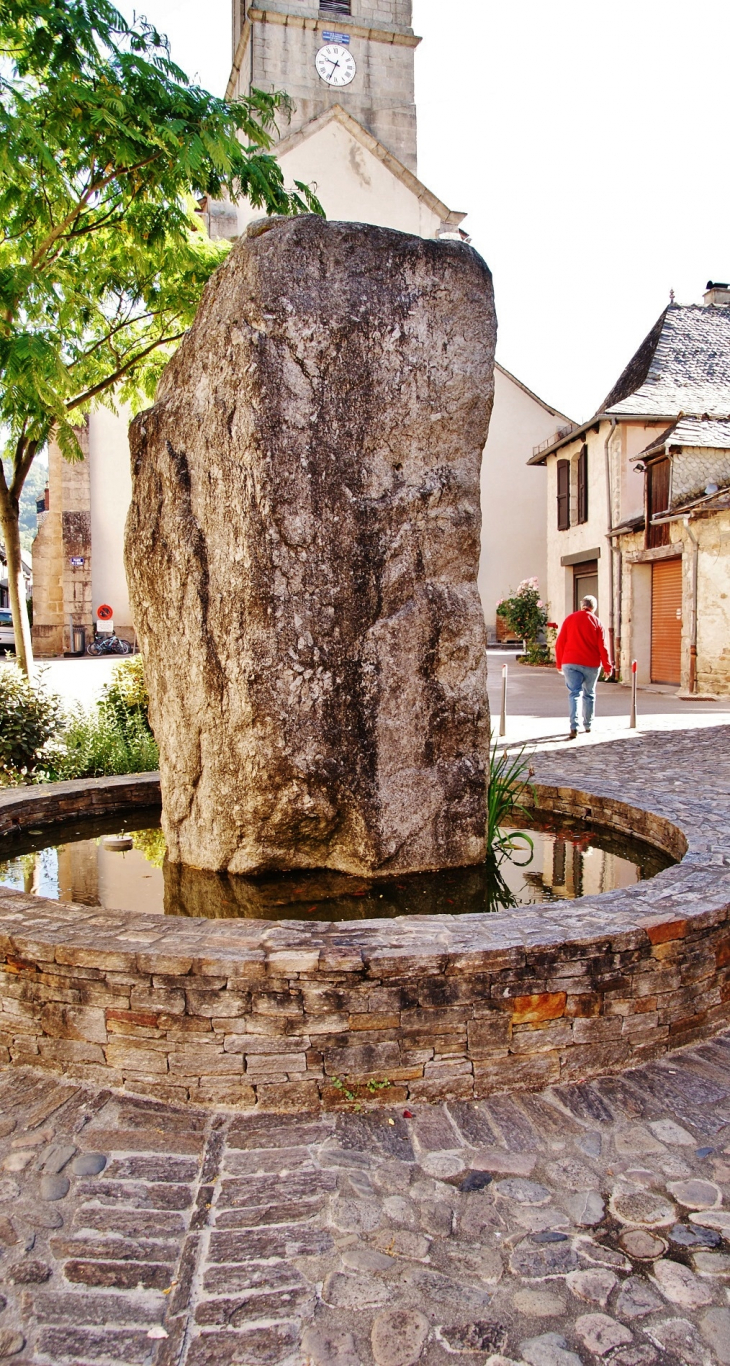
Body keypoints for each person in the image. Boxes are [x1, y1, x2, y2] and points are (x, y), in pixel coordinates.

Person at [554, 595, 613, 739]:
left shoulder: (569, 619)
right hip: (591, 664)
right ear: (594, 607)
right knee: (589, 693)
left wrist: (559, 663)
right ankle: (588, 725)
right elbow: (603, 647)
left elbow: (560, 642)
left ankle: (574, 726)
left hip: (570, 662)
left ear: (582, 605)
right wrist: (607, 666)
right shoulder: (597, 622)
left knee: (574, 693)